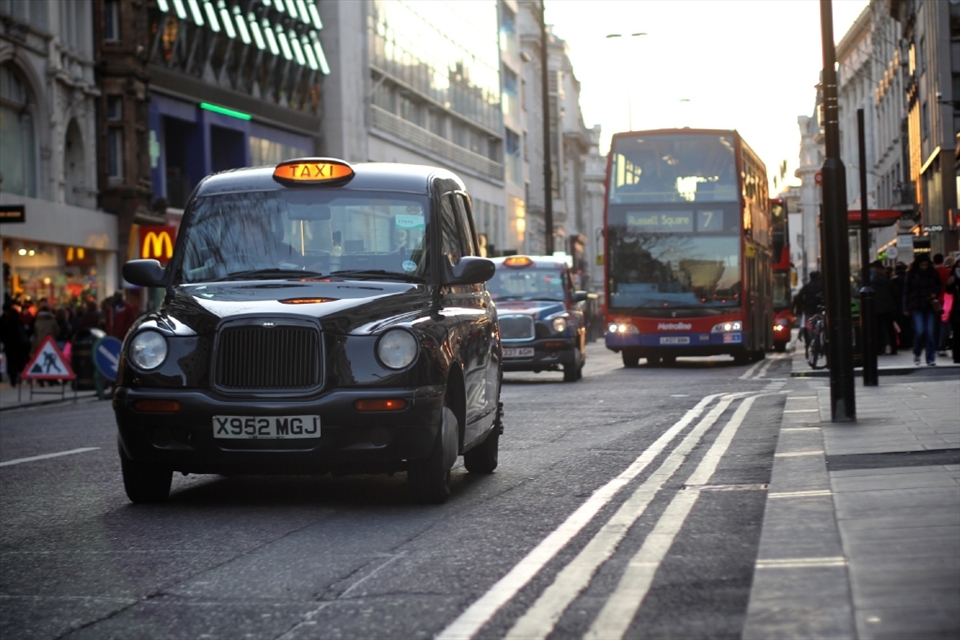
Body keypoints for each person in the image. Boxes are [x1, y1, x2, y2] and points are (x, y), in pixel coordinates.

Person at [902, 254, 943, 366]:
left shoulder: (932, 272)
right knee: (920, 331)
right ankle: (918, 353)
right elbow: (906, 291)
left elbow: (939, 285)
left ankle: (930, 357)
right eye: (922, 265)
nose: (924, 267)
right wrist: (905, 307)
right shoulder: (911, 274)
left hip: (929, 305)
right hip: (916, 305)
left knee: (929, 332)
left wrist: (935, 292)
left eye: (926, 264)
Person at [869, 260, 897, 355]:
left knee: (878, 328)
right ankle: (893, 347)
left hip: (876, 307)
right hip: (888, 307)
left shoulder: (871, 283)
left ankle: (879, 347)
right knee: (889, 328)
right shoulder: (887, 281)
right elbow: (895, 292)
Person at [0, 302, 30, 386]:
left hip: (9, 346)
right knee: (18, 362)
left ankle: (12, 378)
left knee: (10, 362)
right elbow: (23, 334)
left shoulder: (4, 322)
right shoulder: (18, 322)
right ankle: (17, 376)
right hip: (18, 346)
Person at [792, 270, 823, 343]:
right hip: (820, 309)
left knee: (809, 325)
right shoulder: (822, 285)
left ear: (810, 277)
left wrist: (802, 304)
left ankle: (812, 339)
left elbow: (799, 297)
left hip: (809, 309)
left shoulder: (807, 286)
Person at [933, 253, 950, 355]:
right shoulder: (947, 272)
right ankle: (942, 346)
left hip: (934, 301)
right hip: (946, 300)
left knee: (935, 324)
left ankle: (935, 345)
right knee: (944, 324)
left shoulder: (932, 273)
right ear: (942, 260)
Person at [890, 261, 910, 349]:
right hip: (908, 303)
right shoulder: (908, 278)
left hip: (897, 304)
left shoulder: (893, 280)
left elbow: (893, 293)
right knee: (908, 323)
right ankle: (908, 342)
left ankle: (900, 342)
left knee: (899, 323)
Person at [946, 254, 960, 363]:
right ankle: (957, 356)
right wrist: (949, 285)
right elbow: (949, 291)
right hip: (956, 308)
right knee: (956, 333)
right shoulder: (953, 275)